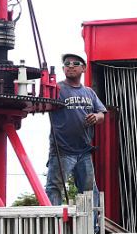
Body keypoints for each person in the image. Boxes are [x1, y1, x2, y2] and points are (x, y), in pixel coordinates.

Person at [44, 51, 106, 206]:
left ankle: (92, 228)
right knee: (54, 188)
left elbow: (102, 114)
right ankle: (54, 227)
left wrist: (95, 117)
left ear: (84, 68)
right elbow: (43, 104)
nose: (70, 66)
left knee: (89, 190)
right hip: (62, 151)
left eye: (75, 64)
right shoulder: (56, 89)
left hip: (84, 151)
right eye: (67, 64)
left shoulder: (89, 92)